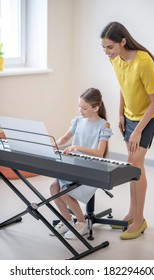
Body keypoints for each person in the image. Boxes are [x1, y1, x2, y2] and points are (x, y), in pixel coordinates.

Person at [100, 22, 154, 240]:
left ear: (122, 42)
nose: (107, 52)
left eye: (110, 47)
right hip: (129, 115)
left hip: (149, 116)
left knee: (136, 163)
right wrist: (120, 114)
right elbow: (123, 85)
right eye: (104, 48)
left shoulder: (143, 62)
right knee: (131, 164)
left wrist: (137, 131)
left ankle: (139, 219)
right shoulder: (115, 60)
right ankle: (131, 213)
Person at [50, 87, 113, 239]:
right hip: (75, 165)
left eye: (84, 108)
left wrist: (77, 147)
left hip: (92, 168)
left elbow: (99, 152)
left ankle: (82, 223)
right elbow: (64, 139)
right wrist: (54, 145)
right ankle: (67, 221)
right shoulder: (78, 121)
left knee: (63, 191)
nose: (80, 110)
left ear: (96, 108)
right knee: (54, 187)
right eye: (79, 106)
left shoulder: (103, 125)